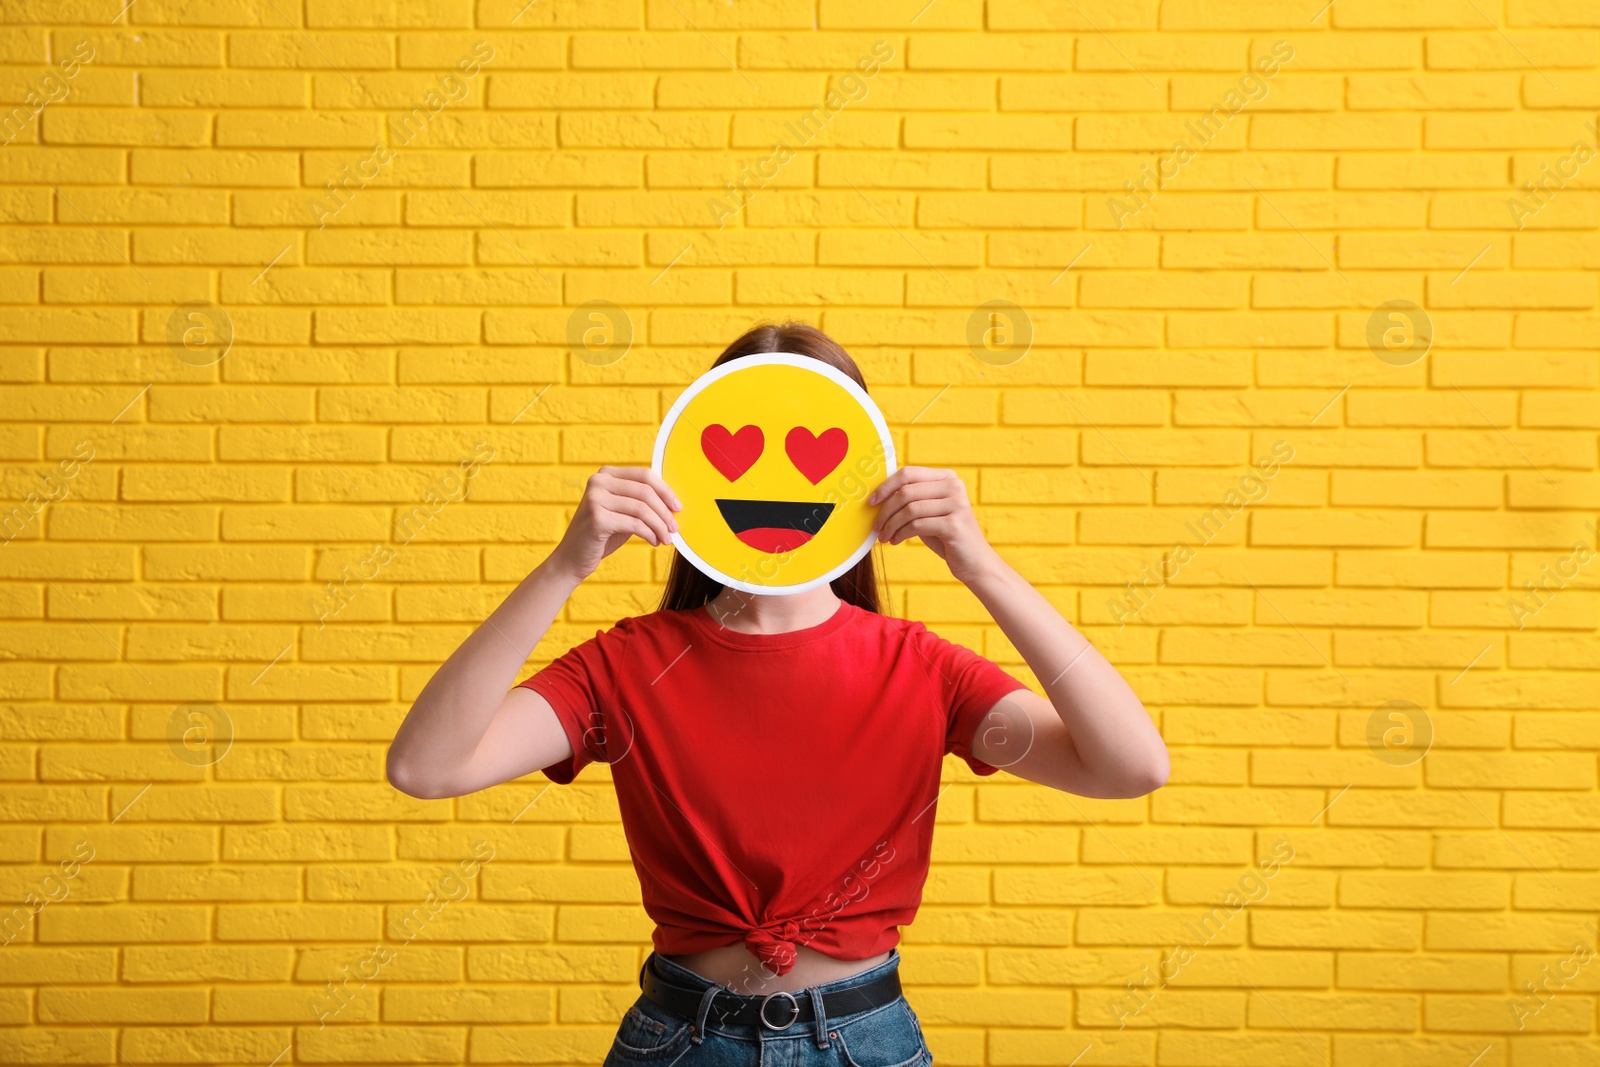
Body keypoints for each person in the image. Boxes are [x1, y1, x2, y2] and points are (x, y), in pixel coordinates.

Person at [386, 321, 1169, 1066]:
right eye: (742, 454)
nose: (775, 483)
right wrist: (565, 564)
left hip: (866, 1040)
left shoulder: (922, 668)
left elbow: (1130, 765)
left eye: (811, 458)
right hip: (681, 1038)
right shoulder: (626, 665)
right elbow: (426, 767)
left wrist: (982, 566)